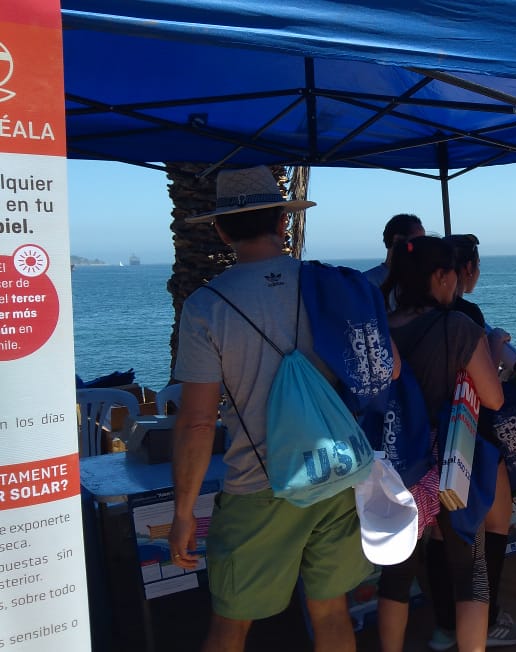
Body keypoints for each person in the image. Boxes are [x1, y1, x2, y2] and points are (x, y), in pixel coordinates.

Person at [169, 165, 397, 652]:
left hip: (259, 486)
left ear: (222, 229)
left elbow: (197, 422)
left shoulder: (207, 307)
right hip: (337, 473)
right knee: (333, 612)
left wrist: (184, 513)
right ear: (282, 224)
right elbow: (387, 368)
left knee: (231, 625)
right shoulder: (332, 284)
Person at [376, 235, 506, 652]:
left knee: (396, 573)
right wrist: (495, 351)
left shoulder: (380, 325)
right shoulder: (458, 327)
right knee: (470, 570)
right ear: (440, 276)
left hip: (396, 462)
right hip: (452, 461)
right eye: (452, 274)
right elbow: (494, 398)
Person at [425, 233, 516, 650]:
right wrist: (495, 344)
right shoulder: (465, 315)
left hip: (428, 439)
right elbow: (490, 389)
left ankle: (443, 625)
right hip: (473, 436)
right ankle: (487, 620)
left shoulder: (404, 314)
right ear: (462, 271)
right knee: (493, 525)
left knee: (440, 533)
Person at [364, 213, 425, 288]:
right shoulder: (366, 283)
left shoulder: (422, 282)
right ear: (397, 240)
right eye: (418, 243)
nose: (423, 249)